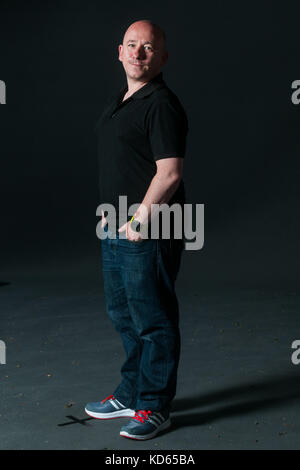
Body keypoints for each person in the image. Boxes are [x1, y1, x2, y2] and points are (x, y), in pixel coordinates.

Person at [85, 19, 189, 440]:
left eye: (148, 48)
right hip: (118, 223)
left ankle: (155, 406)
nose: (138, 53)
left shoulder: (161, 103)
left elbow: (169, 174)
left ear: (162, 58)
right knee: (124, 315)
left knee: (153, 319)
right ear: (119, 51)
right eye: (132, 45)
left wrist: (139, 220)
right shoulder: (121, 101)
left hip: (150, 227)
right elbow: (123, 166)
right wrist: (114, 214)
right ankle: (131, 392)